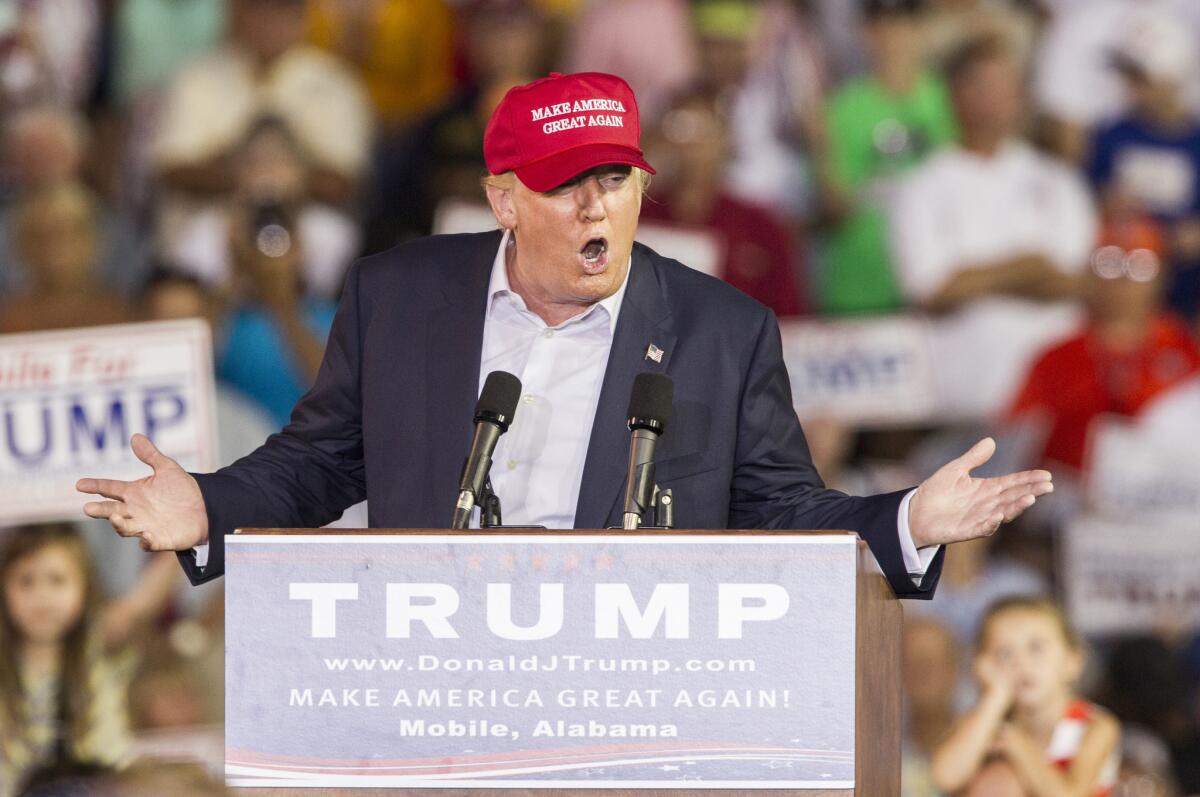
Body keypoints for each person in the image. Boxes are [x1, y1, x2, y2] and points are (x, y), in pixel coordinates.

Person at [77, 71, 1053, 603]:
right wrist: (205, 503)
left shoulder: (723, 329)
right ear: (503, 197)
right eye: (566, 182)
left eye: (616, 177)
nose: (597, 202)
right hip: (429, 663)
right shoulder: (399, 294)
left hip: (623, 687)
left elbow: (780, 508)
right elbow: (322, 462)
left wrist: (902, 522)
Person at [890, 34, 1096, 420]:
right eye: (986, 85)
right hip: (957, 401)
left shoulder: (1057, 180)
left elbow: (1076, 282)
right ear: (955, 94)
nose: (1000, 97)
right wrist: (1028, 265)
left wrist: (974, 277)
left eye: (1009, 85)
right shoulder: (922, 185)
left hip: (1052, 402)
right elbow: (933, 290)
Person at [1006, 218, 1200, 474]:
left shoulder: (1187, 351)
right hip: (1069, 502)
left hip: (1167, 503)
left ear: (1162, 276)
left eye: (1140, 266)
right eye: (1109, 265)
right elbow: (1015, 445)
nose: (1123, 282)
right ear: (1089, 274)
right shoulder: (1055, 359)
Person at [0, 525, 179, 797]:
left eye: (57, 580)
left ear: (85, 584)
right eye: (26, 581)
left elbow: (145, 600)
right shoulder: (5, 659)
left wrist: (181, 533)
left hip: (104, 788)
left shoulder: (100, 640)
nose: (42, 597)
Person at [818, 0, 957, 315]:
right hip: (861, 286)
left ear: (922, 29)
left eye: (903, 23)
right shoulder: (840, 109)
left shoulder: (950, 101)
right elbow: (832, 209)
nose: (892, 36)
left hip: (940, 283)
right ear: (864, 32)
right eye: (881, 25)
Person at [931, 596, 1121, 796]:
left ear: (1072, 661)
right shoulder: (985, 723)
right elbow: (945, 777)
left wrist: (1016, 743)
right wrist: (994, 699)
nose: (1020, 662)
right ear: (983, 666)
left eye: (1035, 648)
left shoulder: (1094, 726)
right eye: (1004, 653)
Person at [1086, 12, 1200, 324]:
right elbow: (1086, 204)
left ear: (1169, 78)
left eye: (1138, 76)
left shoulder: (1196, 144)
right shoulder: (1109, 137)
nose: (1128, 86)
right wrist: (1105, 207)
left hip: (1186, 302)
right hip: (1119, 297)